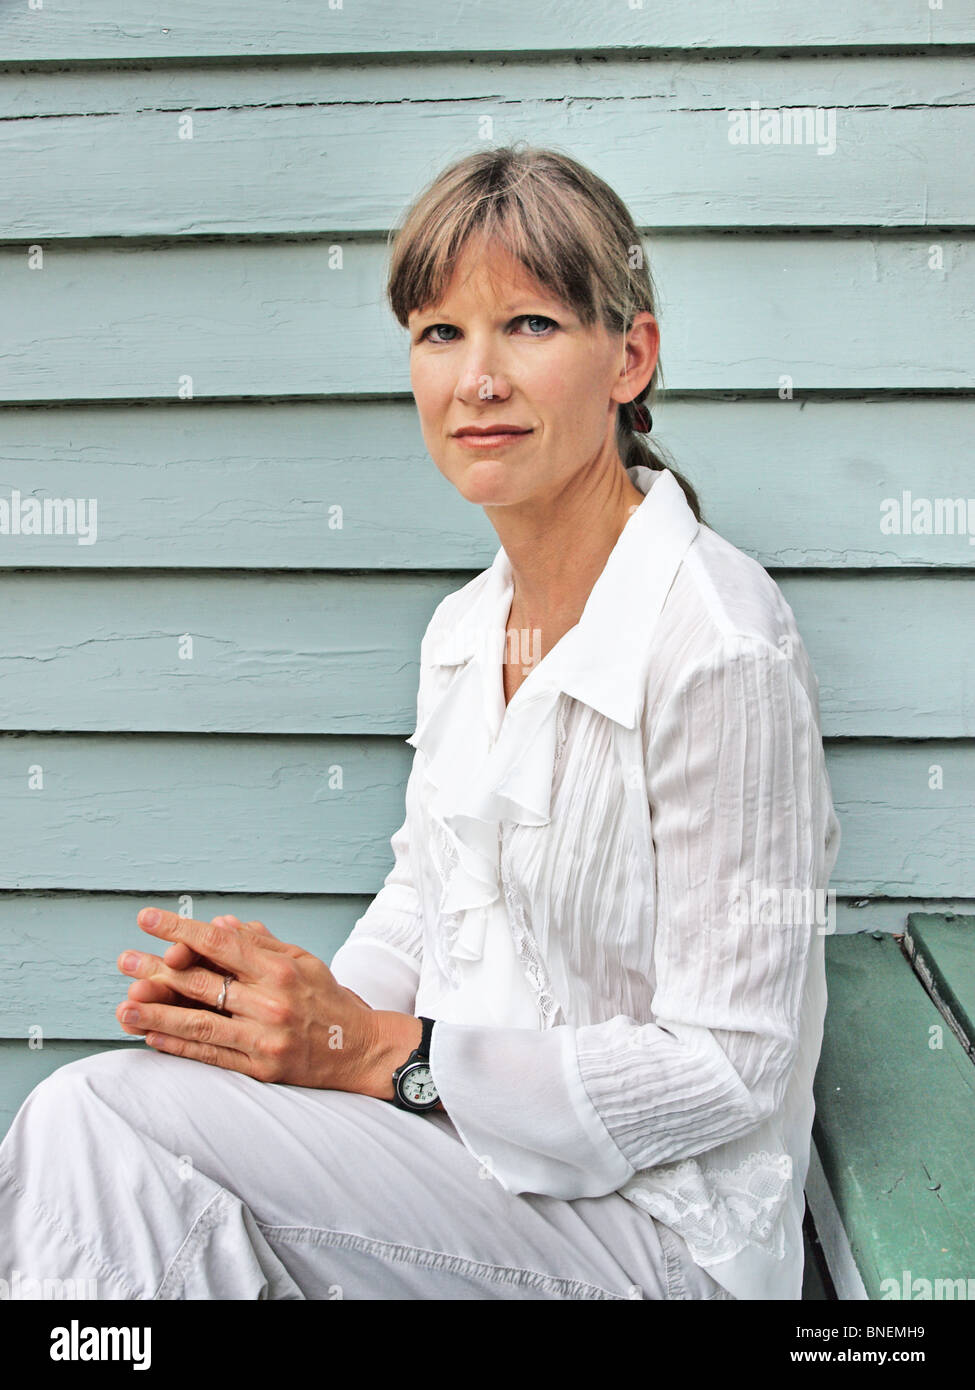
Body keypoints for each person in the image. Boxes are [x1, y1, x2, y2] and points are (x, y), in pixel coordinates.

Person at [0, 145, 840, 1300]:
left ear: (630, 356)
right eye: (439, 333)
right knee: (100, 1141)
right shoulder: (464, 628)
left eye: (530, 327)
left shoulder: (718, 643)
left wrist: (378, 1054)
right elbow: (420, 907)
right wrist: (287, 1034)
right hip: (460, 1166)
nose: (476, 379)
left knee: (100, 1120)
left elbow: (730, 1067)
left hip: (653, 1236)